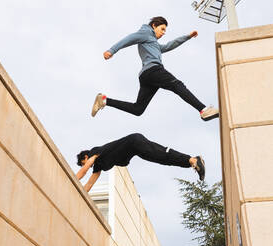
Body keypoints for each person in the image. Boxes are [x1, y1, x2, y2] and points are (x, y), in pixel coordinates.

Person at [91, 16, 219, 121]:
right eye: (162, 29)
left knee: (138, 109)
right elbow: (129, 39)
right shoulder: (145, 33)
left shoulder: (153, 43)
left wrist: (187, 37)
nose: (163, 33)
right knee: (177, 85)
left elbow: (168, 46)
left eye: (165, 31)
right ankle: (203, 110)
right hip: (153, 71)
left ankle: (104, 100)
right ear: (154, 26)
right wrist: (112, 50)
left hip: (146, 76)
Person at [76, 133, 205, 192]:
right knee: (162, 160)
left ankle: (192, 159)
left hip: (135, 142)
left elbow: (85, 169)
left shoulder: (94, 151)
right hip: (136, 149)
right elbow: (89, 183)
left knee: (161, 153)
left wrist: (71, 180)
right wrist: (80, 194)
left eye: (83, 162)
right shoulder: (98, 167)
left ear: (86, 156)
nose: (87, 165)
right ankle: (193, 163)